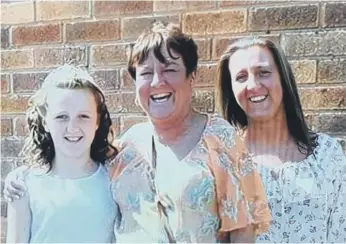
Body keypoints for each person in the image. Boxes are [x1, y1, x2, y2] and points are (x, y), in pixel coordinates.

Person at [3, 22, 271, 243]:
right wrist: (22, 179)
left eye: (170, 69)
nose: (157, 82)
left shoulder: (220, 139)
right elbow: (74, 163)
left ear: (192, 77)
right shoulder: (127, 146)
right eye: (146, 73)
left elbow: (243, 229)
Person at [215, 36, 346, 243]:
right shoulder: (223, 162)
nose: (253, 85)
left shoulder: (327, 154)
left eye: (263, 73)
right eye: (241, 77)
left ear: (283, 78)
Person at [5, 64, 118, 243]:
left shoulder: (114, 181)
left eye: (83, 116)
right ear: (46, 122)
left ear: (97, 121)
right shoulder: (24, 185)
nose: (72, 127)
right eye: (61, 117)